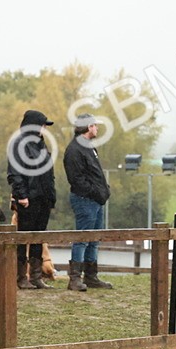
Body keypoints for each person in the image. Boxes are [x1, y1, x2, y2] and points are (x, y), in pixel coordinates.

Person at [7, 109, 57, 290]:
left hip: (43, 198)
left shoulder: (40, 144)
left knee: (38, 237)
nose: (44, 128)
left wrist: (51, 197)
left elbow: (48, 174)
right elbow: (15, 173)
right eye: (43, 124)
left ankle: (36, 276)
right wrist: (22, 196)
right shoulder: (19, 143)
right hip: (29, 199)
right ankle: (21, 277)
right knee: (23, 238)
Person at [63, 113, 112, 291]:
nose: (97, 128)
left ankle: (91, 276)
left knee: (94, 239)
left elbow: (95, 174)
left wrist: (103, 190)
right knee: (82, 238)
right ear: (88, 127)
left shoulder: (88, 147)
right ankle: (75, 278)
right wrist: (96, 192)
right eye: (94, 125)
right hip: (85, 200)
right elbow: (76, 180)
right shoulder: (74, 150)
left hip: (95, 200)